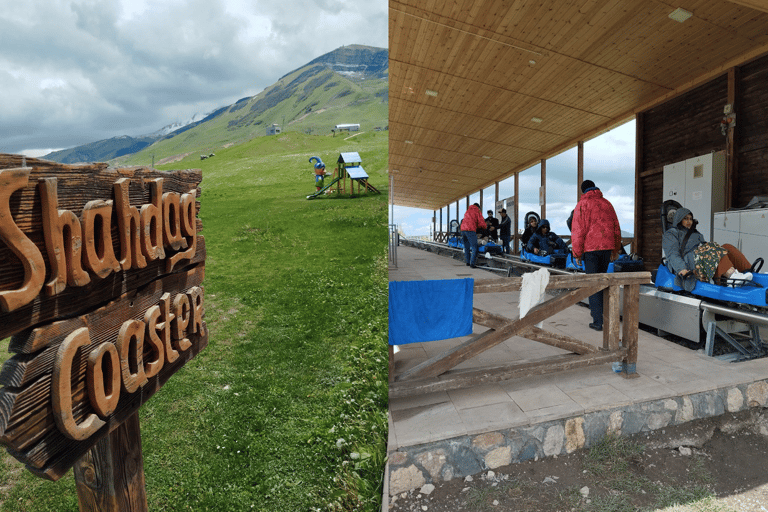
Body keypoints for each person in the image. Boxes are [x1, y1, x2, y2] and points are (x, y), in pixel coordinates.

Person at [571, 180, 622, 331]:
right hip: (606, 248)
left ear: (583, 190)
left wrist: (577, 254)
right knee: (602, 281)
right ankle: (606, 317)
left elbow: (578, 231)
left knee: (593, 284)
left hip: (590, 249)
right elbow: (616, 228)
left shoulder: (582, 205)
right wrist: (615, 250)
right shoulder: (607, 204)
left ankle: (598, 321)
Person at [662, 207, 752, 291]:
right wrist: (682, 269)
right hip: (686, 262)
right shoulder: (671, 234)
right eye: (685, 218)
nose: (689, 221)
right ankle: (731, 276)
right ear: (679, 219)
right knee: (711, 248)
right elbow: (672, 254)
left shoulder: (696, 233)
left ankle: (752, 272)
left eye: (690, 218)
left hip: (700, 257)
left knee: (727, 247)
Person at [460, 203, 487, 268]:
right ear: (478, 207)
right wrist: (485, 227)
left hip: (463, 230)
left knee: (467, 247)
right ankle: (472, 264)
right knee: (475, 247)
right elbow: (481, 223)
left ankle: (468, 262)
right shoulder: (477, 210)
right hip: (470, 230)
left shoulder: (468, 211)